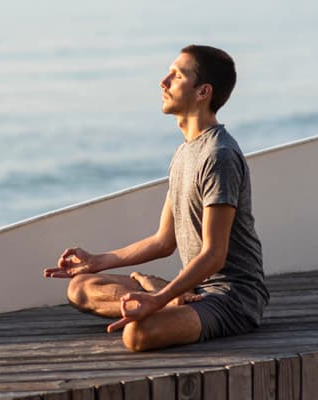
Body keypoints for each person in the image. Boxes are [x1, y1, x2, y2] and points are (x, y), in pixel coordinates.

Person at [42, 45, 268, 352]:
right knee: (80, 288)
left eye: (176, 75)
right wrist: (97, 261)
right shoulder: (183, 153)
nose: (164, 81)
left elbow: (215, 254)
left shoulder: (220, 156)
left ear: (203, 92)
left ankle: (166, 298)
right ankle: (171, 296)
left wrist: (157, 299)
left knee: (138, 335)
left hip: (231, 298)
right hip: (193, 288)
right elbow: (164, 241)